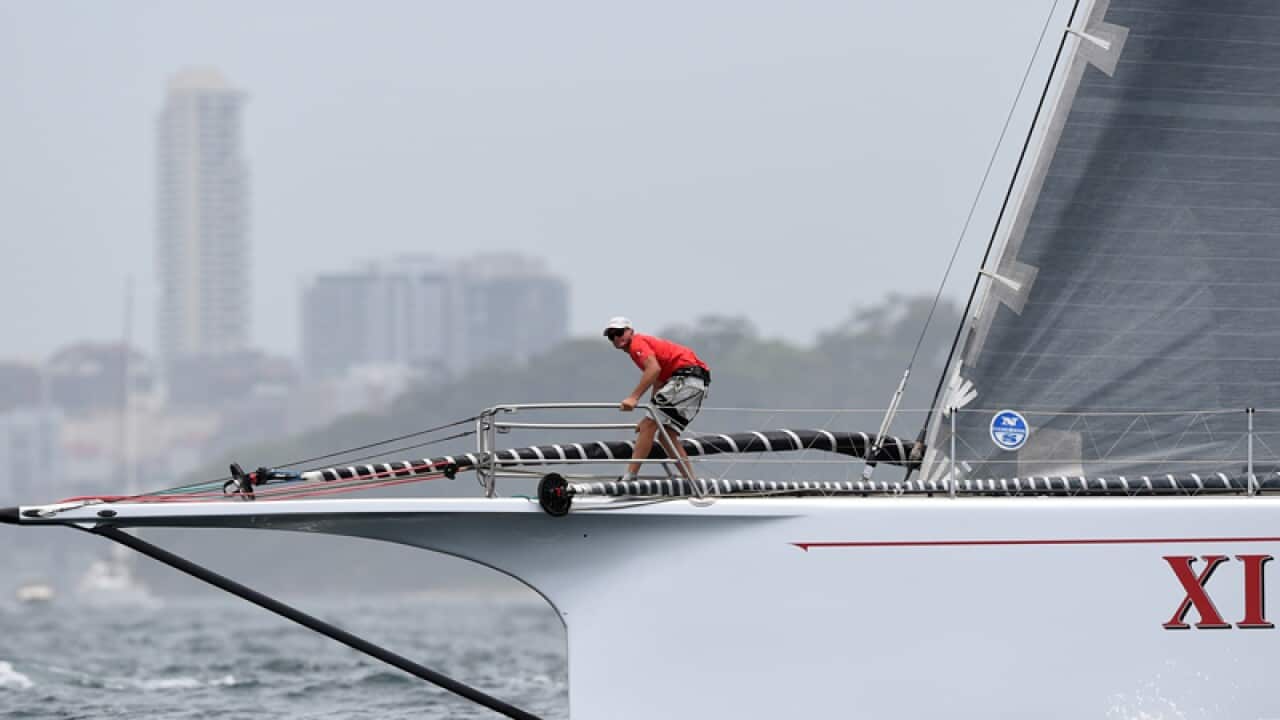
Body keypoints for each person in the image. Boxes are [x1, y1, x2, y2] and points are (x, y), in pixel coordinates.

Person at [603, 316, 710, 483]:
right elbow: (658, 380)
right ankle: (690, 481)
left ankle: (629, 477)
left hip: (685, 379)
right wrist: (651, 414)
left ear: (630, 331)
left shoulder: (637, 344)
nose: (616, 338)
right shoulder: (641, 347)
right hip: (695, 383)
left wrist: (634, 398)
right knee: (666, 435)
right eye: (611, 336)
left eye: (619, 332)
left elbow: (653, 369)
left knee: (649, 426)